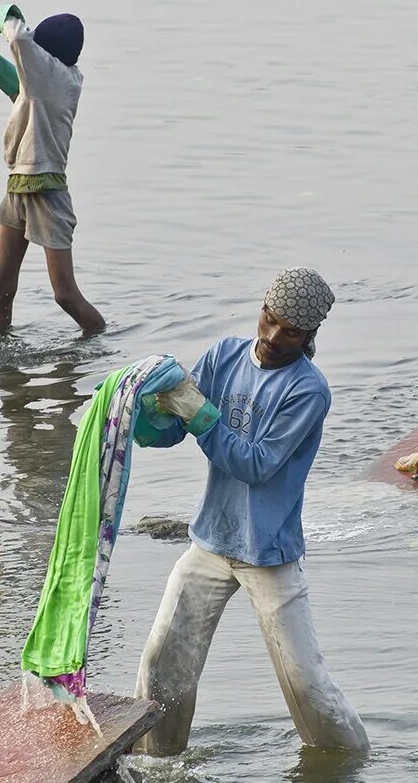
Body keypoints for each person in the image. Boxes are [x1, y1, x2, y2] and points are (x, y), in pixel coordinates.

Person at [131, 268, 369, 756]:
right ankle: (157, 763)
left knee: (306, 683)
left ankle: (351, 763)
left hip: (268, 552)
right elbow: (179, 427)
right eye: (270, 318)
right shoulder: (224, 356)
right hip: (211, 542)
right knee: (162, 663)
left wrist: (198, 413)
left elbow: (255, 464)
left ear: (310, 336)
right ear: (262, 307)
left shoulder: (309, 391)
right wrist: (147, 413)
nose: (274, 336)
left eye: (291, 332)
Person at [0, 5, 105, 335]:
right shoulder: (46, 83)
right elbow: (18, 86)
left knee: (64, 294)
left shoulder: (57, 78)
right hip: (18, 187)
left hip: (47, 193)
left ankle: (99, 337)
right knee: (0, 281)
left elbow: (17, 35)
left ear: (47, 54)